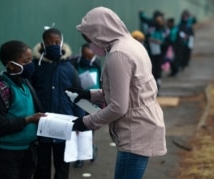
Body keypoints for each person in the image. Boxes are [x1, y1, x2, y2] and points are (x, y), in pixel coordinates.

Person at [66, 7, 167, 179]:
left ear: (100, 32)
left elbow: (119, 106)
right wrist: (89, 95)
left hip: (135, 131)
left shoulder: (118, 55)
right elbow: (131, 90)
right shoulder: (133, 44)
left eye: (90, 39)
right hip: (145, 123)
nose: (91, 45)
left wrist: (86, 122)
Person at [0, 40, 46, 179]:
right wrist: (27, 120)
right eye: (26, 61)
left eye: (31, 60)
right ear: (12, 65)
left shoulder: (25, 84)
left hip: (28, 151)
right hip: (6, 155)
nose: (30, 65)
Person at [30, 27, 86, 179]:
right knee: (41, 166)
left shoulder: (69, 68)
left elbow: (78, 95)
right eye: (48, 42)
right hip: (41, 125)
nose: (52, 45)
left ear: (62, 43)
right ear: (42, 45)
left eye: (56, 42)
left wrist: (79, 121)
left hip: (65, 124)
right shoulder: (36, 67)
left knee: (62, 166)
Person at [69, 43, 101, 168]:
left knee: (89, 128)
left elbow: (101, 82)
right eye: (85, 56)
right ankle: (80, 157)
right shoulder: (73, 64)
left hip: (93, 101)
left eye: (90, 57)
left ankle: (89, 149)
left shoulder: (97, 64)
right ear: (80, 53)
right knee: (78, 128)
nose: (87, 59)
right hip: (78, 100)